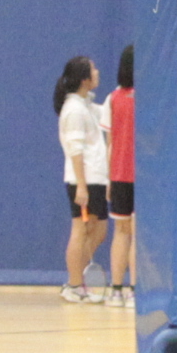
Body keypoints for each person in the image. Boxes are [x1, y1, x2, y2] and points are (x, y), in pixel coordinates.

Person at [54, 53, 108, 301]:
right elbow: (75, 150)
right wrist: (82, 187)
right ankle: (74, 285)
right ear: (85, 79)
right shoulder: (74, 109)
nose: (97, 73)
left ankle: (75, 280)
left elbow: (106, 114)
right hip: (84, 179)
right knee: (81, 229)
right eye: (93, 70)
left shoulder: (86, 105)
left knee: (97, 230)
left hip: (96, 178)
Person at [100, 47, 137, 303]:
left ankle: (116, 291)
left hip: (119, 175)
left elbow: (110, 144)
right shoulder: (150, 97)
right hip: (143, 177)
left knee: (121, 233)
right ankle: (134, 292)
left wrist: (109, 179)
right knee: (138, 236)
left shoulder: (112, 99)